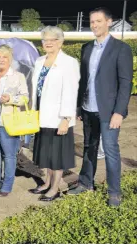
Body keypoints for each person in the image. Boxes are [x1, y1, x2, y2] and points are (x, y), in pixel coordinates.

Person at [68, 7, 133, 207]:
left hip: (109, 111)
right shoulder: (86, 48)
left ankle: (114, 192)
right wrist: (79, 107)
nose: (94, 25)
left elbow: (125, 84)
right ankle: (86, 182)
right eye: (92, 21)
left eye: (98, 21)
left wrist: (119, 112)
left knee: (111, 150)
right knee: (89, 147)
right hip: (88, 108)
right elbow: (83, 81)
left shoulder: (121, 49)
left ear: (109, 22)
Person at [28, 26, 80, 202]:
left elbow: (71, 92)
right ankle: (47, 183)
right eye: (45, 40)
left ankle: (55, 188)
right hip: (42, 116)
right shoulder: (39, 61)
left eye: (53, 39)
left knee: (56, 156)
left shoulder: (69, 62)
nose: (48, 43)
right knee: (46, 154)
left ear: (61, 41)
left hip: (59, 118)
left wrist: (66, 119)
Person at [0, 44, 29, 197]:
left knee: (9, 155)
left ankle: (7, 185)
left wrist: (11, 99)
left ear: (10, 60)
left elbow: (25, 98)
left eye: (5, 57)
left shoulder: (18, 77)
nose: (1, 60)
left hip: (8, 122)